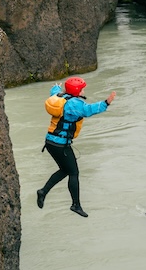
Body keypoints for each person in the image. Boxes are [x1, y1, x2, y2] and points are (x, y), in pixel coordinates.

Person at [37, 77, 116, 217]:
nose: (84, 90)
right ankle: (76, 205)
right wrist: (106, 103)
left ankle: (43, 191)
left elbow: (54, 94)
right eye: (82, 88)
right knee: (73, 173)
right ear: (77, 91)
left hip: (50, 143)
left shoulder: (60, 97)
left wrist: (56, 88)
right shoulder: (75, 104)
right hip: (61, 145)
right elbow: (89, 110)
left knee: (65, 170)